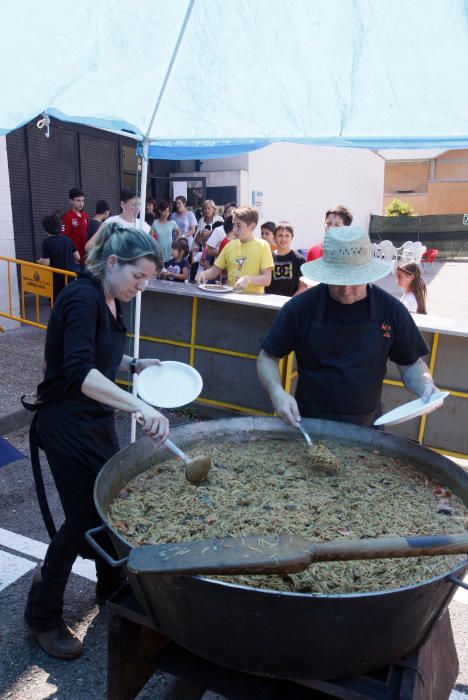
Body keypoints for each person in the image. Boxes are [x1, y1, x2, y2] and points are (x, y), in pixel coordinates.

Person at [23, 224, 169, 659]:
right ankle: (41, 616)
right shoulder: (82, 297)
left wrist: (134, 363)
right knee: (83, 514)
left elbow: (99, 350)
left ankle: (111, 585)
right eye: (137, 277)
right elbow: (81, 371)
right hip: (65, 421)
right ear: (112, 263)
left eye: (147, 280)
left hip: (93, 420)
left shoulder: (109, 296)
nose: (140, 287)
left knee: (111, 504)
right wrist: (139, 406)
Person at [257, 226, 438, 428]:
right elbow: (267, 357)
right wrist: (277, 393)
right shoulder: (300, 308)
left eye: (354, 282)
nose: (346, 290)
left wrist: (426, 387)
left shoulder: (390, 310)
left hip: (367, 427)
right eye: (337, 281)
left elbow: (411, 364)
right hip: (308, 424)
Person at [196, 206, 274, 293]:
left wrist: (248, 279)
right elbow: (215, 270)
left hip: (252, 303)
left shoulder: (263, 246)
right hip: (231, 300)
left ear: (252, 227)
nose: (234, 229)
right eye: (233, 225)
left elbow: (267, 279)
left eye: (239, 226)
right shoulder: (230, 245)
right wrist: (203, 274)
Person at [86, 188, 150, 252]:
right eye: (134, 205)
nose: (137, 208)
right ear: (122, 204)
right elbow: (89, 246)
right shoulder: (111, 223)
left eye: (139, 204)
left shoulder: (143, 225)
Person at [37, 213, 80, 302]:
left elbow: (46, 263)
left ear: (46, 229)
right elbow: (78, 257)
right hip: (71, 276)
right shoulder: (68, 239)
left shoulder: (47, 242)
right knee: (70, 300)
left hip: (56, 278)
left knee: (57, 302)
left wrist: (40, 261)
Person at [266, 221, 305, 297]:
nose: (283, 239)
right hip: (269, 304)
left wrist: (290, 303)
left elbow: (303, 287)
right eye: (280, 235)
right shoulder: (268, 258)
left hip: (290, 305)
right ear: (274, 238)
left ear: (292, 237)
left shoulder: (299, 260)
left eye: (287, 236)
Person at [61, 188, 88, 271]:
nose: (81, 203)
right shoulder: (68, 217)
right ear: (71, 201)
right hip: (74, 260)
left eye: (82, 201)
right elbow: (63, 238)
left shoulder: (84, 215)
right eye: (78, 200)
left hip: (85, 258)